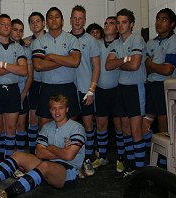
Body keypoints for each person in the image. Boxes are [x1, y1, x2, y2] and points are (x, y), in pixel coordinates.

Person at [0, 94, 86, 198]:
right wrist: (61, 150)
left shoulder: (76, 128)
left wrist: (50, 147)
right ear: (50, 110)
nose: (57, 112)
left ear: (67, 109)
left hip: (67, 172)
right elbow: (39, 153)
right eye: (54, 108)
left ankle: (5, 194)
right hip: (46, 166)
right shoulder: (47, 127)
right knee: (18, 155)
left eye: (61, 108)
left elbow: (69, 156)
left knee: (45, 165)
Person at [142, 8, 176, 168]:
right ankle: (152, 160)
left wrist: (151, 64)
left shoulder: (175, 41)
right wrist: (151, 67)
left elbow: (167, 70)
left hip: (165, 87)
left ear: (172, 23)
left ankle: (164, 167)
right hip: (150, 87)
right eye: (157, 19)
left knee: (163, 128)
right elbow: (144, 69)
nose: (159, 23)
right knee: (143, 127)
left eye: (164, 19)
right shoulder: (150, 43)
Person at [105, 8, 146, 177]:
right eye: (118, 22)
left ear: (131, 24)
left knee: (136, 131)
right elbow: (108, 66)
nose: (120, 26)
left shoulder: (137, 39)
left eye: (124, 22)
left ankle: (141, 170)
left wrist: (119, 63)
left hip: (135, 88)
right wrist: (126, 59)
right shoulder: (115, 43)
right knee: (125, 130)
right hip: (121, 88)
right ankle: (130, 165)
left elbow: (135, 65)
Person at [0, 14, 27, 168]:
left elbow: (23, 70)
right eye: (3, 24)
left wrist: (1, 64)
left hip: (13, 91)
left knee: (11, 129)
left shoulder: (17, 46)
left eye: (9, 24)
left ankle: (9, 164)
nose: (6, 27)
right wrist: (12, 68)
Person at [32, 7, 81, 130]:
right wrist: (65, 59)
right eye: (50, 17)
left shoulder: (71, 39)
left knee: (70, 128)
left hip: (67, 87)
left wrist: (51, 57)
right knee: (43, 127)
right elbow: (38, 66)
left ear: (63, 21)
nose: (54, 20)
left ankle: (65, 150)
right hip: (47, 88)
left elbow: (75, 62)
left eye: (57, 17)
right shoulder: (39, 41)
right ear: (46, 22)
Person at [69, 5, 101, 178]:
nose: (77, 21)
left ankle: (87, 159)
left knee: (88, 126)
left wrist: (92, 90)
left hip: (85, 90)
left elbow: (96, 67)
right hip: (68, 90)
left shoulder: (91, 40)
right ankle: (73, 163)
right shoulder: (64, 38)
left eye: (81, 18)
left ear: (85, 20)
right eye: (74, 17)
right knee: (70, 127)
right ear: (70, 19)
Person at [93, 16, 125, 173]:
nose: (107, 25)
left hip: (118, 90)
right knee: (101, 125)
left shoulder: (122, 44)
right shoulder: (96, 43)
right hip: (100, 90)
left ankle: (121, 158)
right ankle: (102, 156)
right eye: (105, 23)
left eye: (111, 23)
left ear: (117, 27)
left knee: (119, 126)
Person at [24, 11, 46, 154]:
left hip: (50, 84)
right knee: (33, 119)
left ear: (44, 23)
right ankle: (33, 151)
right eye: (32, 22)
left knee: (47, 121)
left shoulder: (52, 39)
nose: (35, 24)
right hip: (34, 83)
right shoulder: (26, 42)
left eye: (38, 21)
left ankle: (45, 150)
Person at [10, 18, 33, 154]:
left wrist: (24, 93)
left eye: (20, 31)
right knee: (6, 127)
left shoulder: (26, 49)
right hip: (6, 93)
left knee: (20, 125)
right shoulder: (2, 46)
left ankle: (20, 157)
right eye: (15, 30)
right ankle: (6, 157)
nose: (18, 33)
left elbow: (30, 75)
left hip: (22, 92)